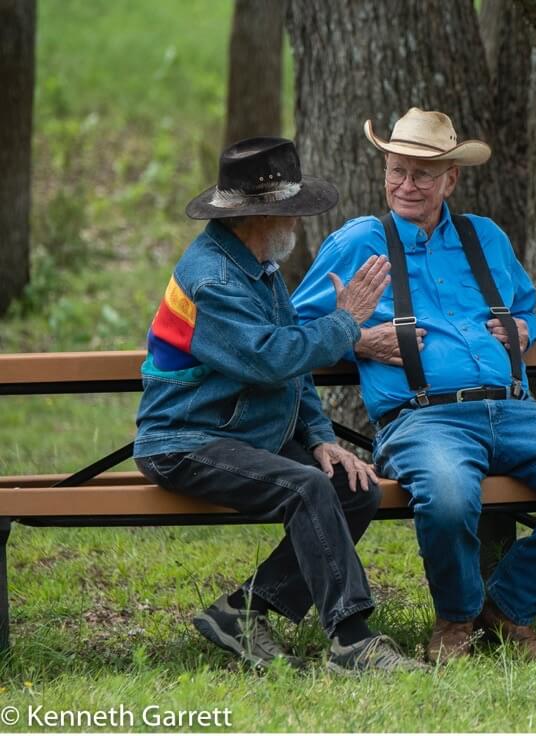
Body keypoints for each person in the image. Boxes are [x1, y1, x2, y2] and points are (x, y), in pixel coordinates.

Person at [293, 107, 536, 663]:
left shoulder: (485, 237)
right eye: (397, 170)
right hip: (422, 418)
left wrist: (526, 329)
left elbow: (525, 308)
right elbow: (291, 330)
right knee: (450, 498)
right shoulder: (360, 241)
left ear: (451, 178)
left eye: (422, 174)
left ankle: (505, 606)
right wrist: (356, 340)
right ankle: (455, 620)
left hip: (516, 411)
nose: (406, 185)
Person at [134, 137, 425, 673]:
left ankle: (243, 611)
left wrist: (318, 437)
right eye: (290, 212)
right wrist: (345, 323)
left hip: (242, 431)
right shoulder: (215, 279)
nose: (298, 223)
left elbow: (293, 371)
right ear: (257, 217)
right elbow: (271, 359)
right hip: (187, 440)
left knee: (352, 488)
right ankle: (352, 640)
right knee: (307, 487)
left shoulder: (254, 264)